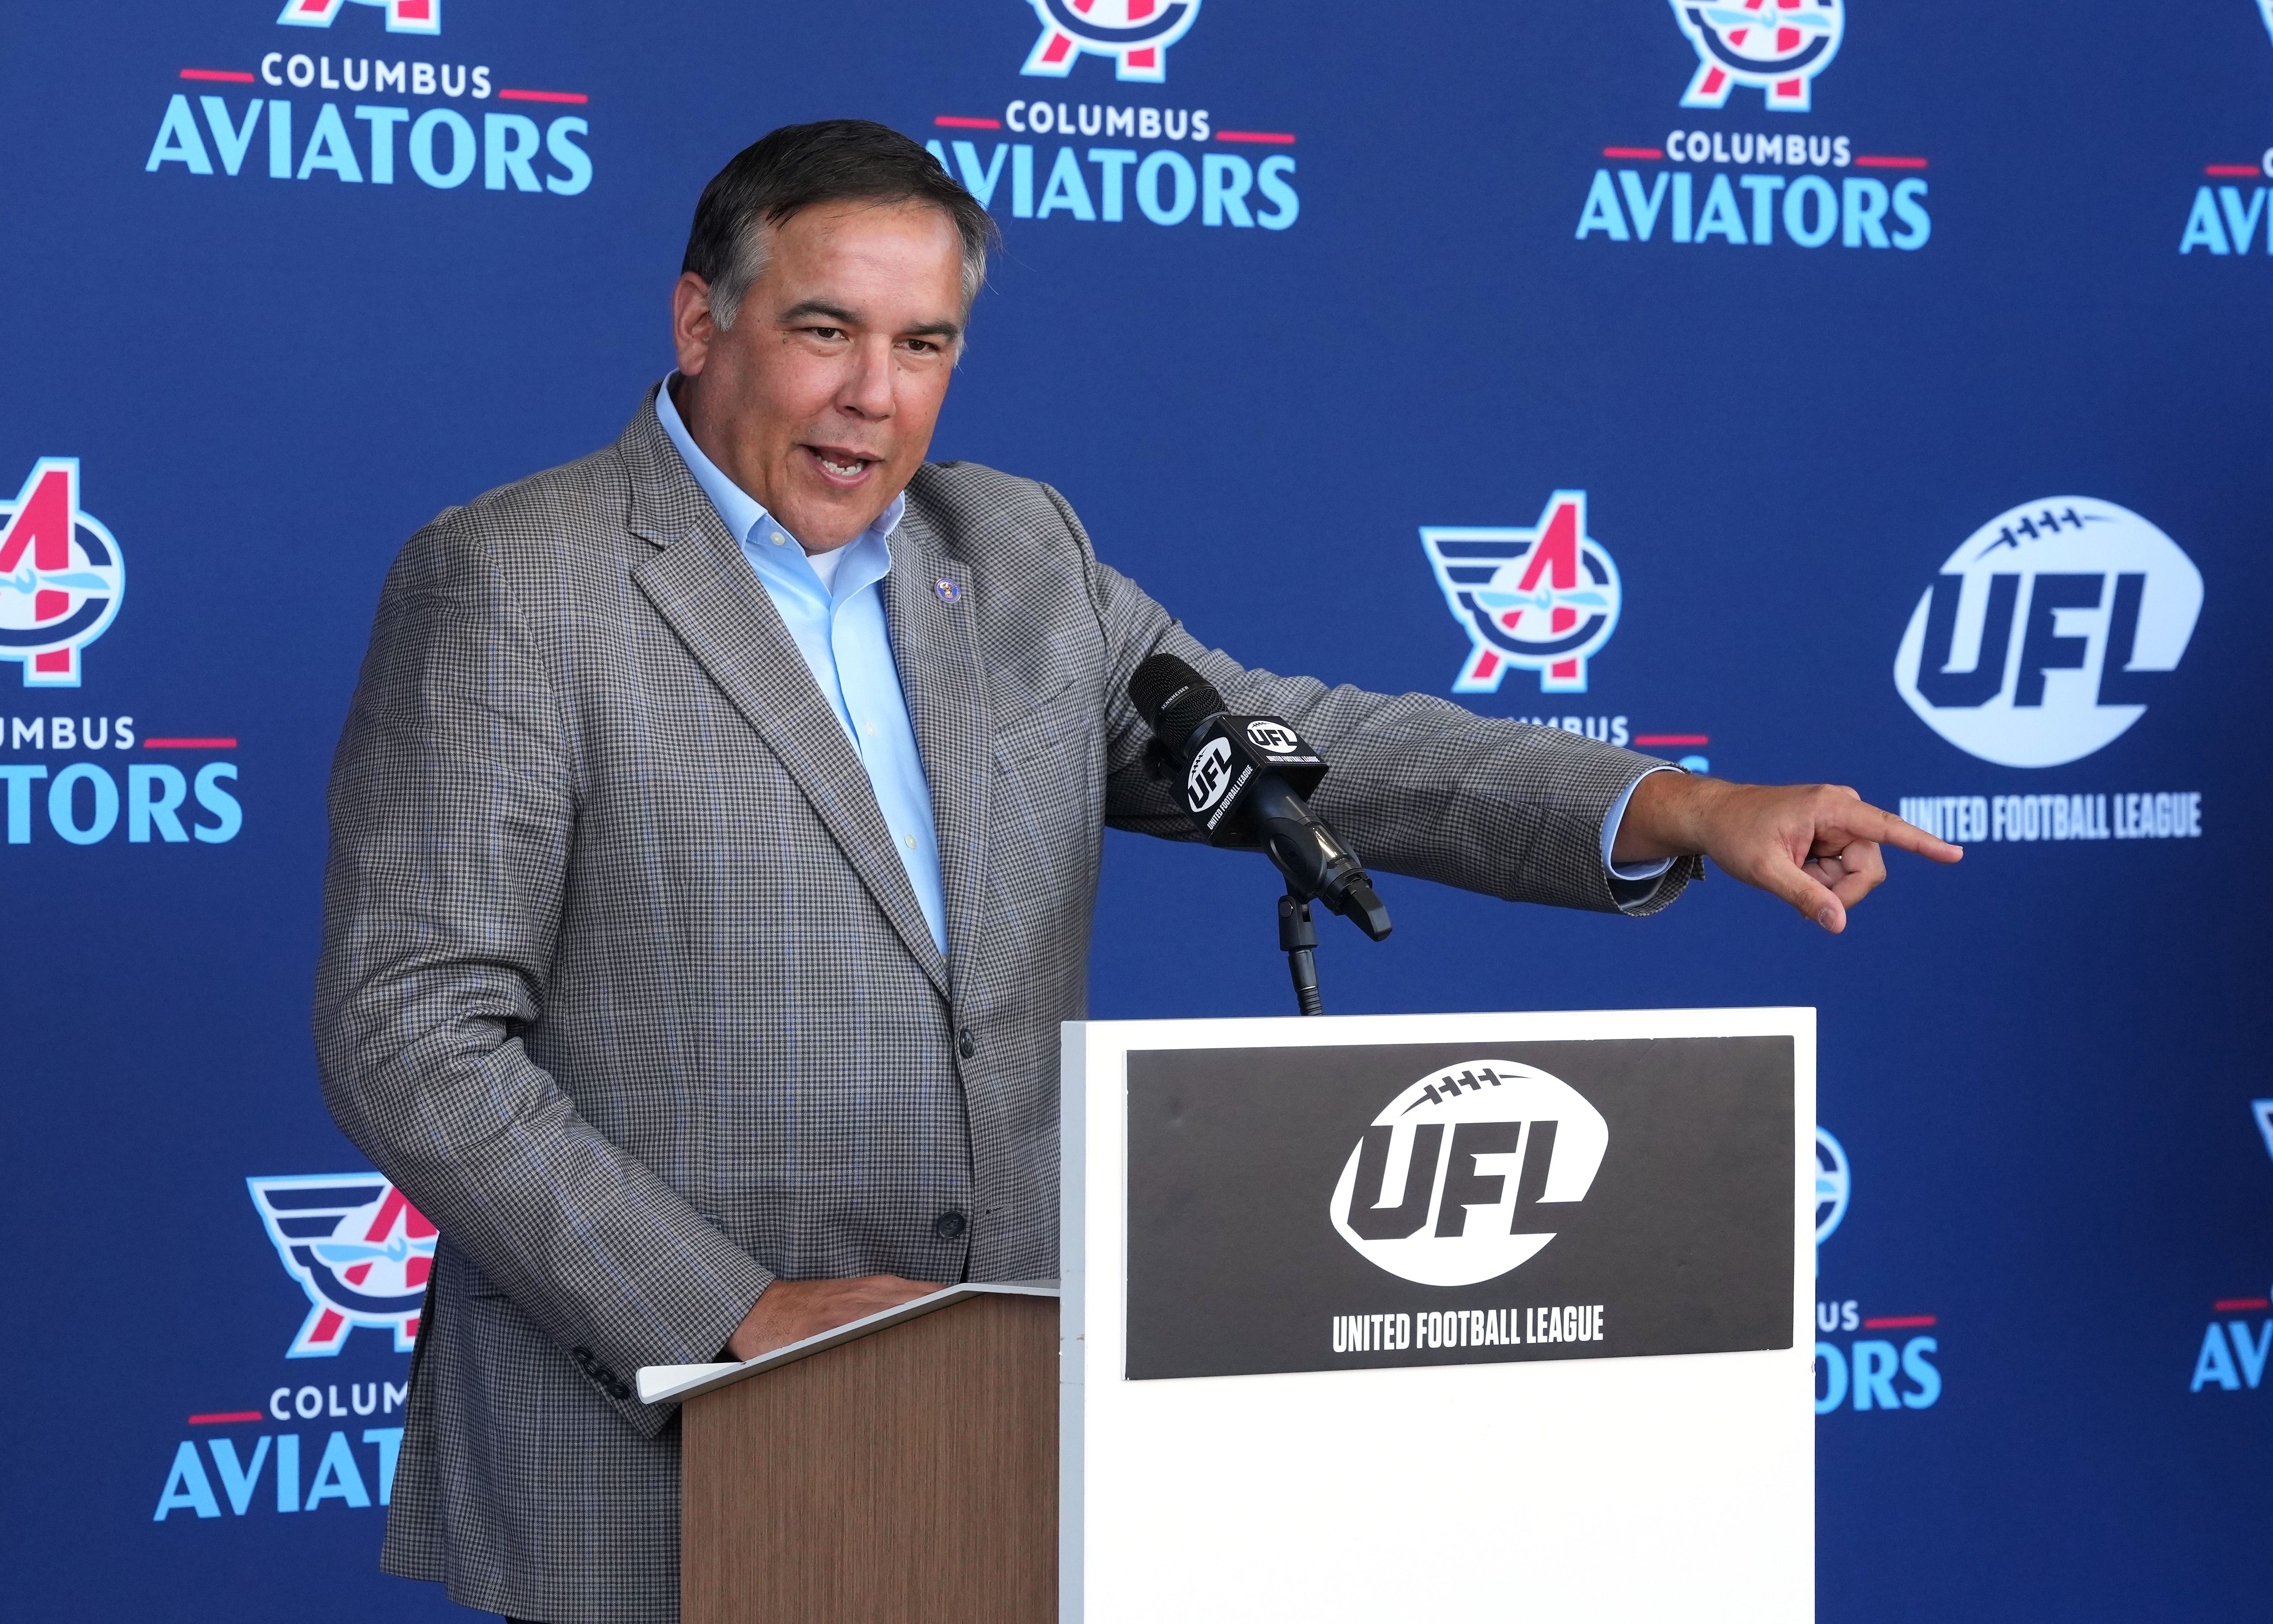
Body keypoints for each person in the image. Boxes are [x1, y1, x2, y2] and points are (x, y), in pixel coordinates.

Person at [313, 119, 1959, 1624]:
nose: (873, 395)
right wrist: (734, 1317)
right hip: (666, 1457)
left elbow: (1302, 748)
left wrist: (1668, 804)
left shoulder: (1013, 549)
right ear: (698, 325)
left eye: (923, 344)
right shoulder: (517, 581)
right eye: (825, 330)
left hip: (1009, 1430)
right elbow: (412, 1034)